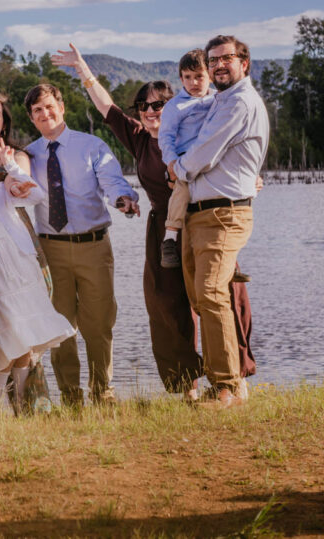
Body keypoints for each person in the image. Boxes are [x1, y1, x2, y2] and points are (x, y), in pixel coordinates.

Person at [54, 43, 258, 400]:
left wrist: (253, 178)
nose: (150, 111)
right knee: (165, 304)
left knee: (220, 296)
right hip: (162, 231)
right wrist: (83, 70)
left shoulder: (197, 127)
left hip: (205, 221)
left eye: (158, 104)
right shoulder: (139, 140)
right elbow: (107, 107)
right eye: (143, 106)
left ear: (174, 103)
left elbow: (238, 142)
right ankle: (185, 387)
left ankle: (231, 380)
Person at [24, 83, 139, 407]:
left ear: (61, 106)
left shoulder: (92, 146)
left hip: (93, 245)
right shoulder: (29, 154)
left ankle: (102, 392)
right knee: (60, 326)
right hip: (51, 250)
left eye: (49, 106)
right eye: (37, 111)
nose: (45, 114)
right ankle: (71, 396)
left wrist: (123, 199)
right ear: (32, 118)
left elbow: (112, 181)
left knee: (99, 322)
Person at [173, 35, 268, 409]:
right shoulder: (220, 101)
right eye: (212, 61)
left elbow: (204, 152)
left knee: (212, 293)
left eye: (226, 58)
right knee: (203, 298)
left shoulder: (240, 102)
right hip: (201, 214)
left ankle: (228, 387)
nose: (217, 66)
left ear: (244, 62)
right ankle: (220, 383)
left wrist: (176, 168)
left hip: (224, 213)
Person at [0, 145, 74, 414]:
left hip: (21, 268)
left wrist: (11, 166)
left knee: (25, 333)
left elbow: (36, 195)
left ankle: (23, 401)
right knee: (8, 333)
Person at [157, 50, 216, 268]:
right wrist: (172, 163)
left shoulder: (219, 99)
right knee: (181, 190)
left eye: (199, 76)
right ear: (181, 79)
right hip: (185, 160)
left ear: (209, 75)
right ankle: (170, 238)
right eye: (187, 77)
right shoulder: (175, 106)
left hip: (213, 160)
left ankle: (228, 260)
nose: (194, 82)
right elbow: (166, 137)